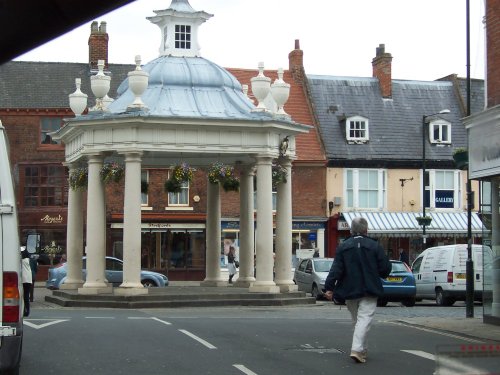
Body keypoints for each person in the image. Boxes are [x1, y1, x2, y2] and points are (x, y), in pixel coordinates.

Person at [324, 217, 391, 364]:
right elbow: (385, 269)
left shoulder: (343, 246)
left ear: (351, 230)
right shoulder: (375, 246)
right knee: (364, 319)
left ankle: (362, 349)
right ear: (366, 230)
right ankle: (356, 349)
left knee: (357, 320)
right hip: (370, 288)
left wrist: (329, 287)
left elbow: (336, 269)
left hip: (349, 289)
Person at [20, 246, 33, 317]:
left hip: (24, 279)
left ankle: (25, 310)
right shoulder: (28, 260)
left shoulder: (22, 261)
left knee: (24, 296)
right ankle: (27, 310)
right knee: (26, 296)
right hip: (28, 279)